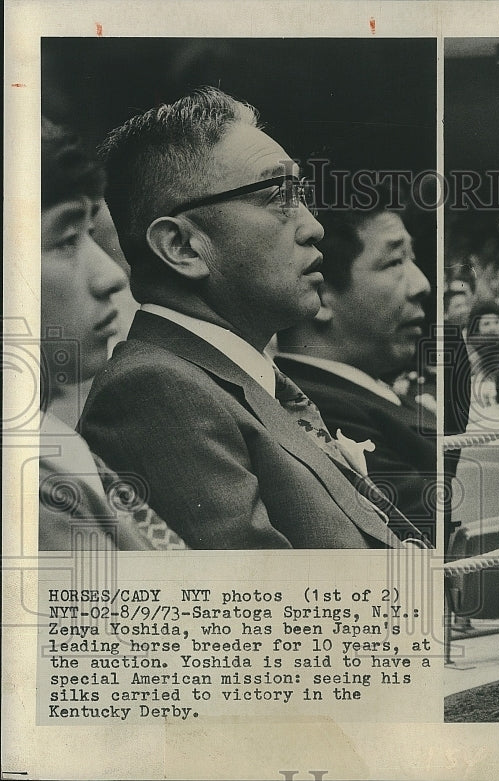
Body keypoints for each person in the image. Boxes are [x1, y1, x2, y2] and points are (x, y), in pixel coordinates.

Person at [79, 87, 407, 549]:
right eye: (278, 195)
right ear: (182, 247)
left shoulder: (229, 381)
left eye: (302, 194)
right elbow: (265, 614)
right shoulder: (154, 391)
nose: (314, 226)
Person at [38, 117, 185, 551]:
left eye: (90, 233)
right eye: (66, 239)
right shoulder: (35, 495)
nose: (111, 276)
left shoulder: (48, 451)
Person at [274, 192, 436, 545]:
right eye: (394, 262)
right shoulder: (316, 407)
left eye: (413, 260)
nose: (421, 284)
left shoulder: (361, 390)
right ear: (318, 295)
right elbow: (441, 534)